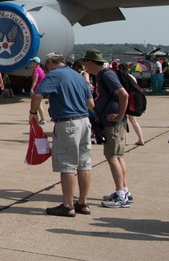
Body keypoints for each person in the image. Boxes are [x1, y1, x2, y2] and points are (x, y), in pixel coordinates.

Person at [30, 52, 95, 217]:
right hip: (84, 121)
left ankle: (68, 205)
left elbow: (38, 94)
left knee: (67, 164)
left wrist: (33, 112)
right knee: (84, 164)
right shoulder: (78, 76)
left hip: (67, 123)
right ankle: (82, 202)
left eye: (47, 65)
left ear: (51, 62)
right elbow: (91, 104)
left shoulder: (55, 75)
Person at [82, 49, 133, 209]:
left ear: (91, 62)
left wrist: (118, 116)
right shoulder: (102, 75)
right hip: (111, 122)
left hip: (113, 123)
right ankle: (124, 190)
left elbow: (123, 94)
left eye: (85, 62)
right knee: (117, 156)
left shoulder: (106, 75)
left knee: (112, 156)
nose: (84, 65)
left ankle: (120, 193)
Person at [118, 63, 146, 146]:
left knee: (123, 120)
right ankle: (141, 139)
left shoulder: (122, 77)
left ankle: (125, 141)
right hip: (134, 99)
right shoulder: (132, 76)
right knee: (133, 121)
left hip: (126, 99)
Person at [31, 56, 46, 124]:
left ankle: (43, 119)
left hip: (37, 89)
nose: (31, 63)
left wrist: (32, 88)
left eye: (33, 62)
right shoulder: (41, 70)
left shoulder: (36, 70)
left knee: (38, 105)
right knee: (39, 105)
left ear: (36, 62)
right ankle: (42, 119)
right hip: (41, 88)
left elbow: (35, 80)